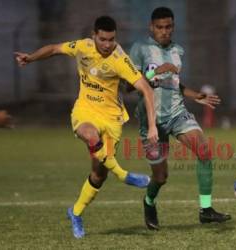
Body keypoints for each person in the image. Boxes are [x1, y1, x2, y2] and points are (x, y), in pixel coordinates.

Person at [15, 16, 158, 238]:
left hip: (112, 121)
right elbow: (54, 49)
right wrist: (30, 58)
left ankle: (75, 212)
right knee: (91, 136)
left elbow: (146, 90)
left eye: (111, 39)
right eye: (103, 39)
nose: (107, 44)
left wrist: (152, 128)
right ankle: (123, 175)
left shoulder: (121, 59)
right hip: (85, 112)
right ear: (94, 35)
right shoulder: (83, 47)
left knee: (99, 174)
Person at [129, 7, 231, 230]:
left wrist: (197, 96)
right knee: (161, 177)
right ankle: (149, 202)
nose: (164, 31)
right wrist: (151, 74)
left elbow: (174, 84)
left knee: (204, 151)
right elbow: (127, 86)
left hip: (177, 113)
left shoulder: (178, 50)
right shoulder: (140, 49)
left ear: (173, 27)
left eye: (168, 27)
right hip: (152, 121)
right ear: (151, 27)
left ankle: (206, 210)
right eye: (159, 27)